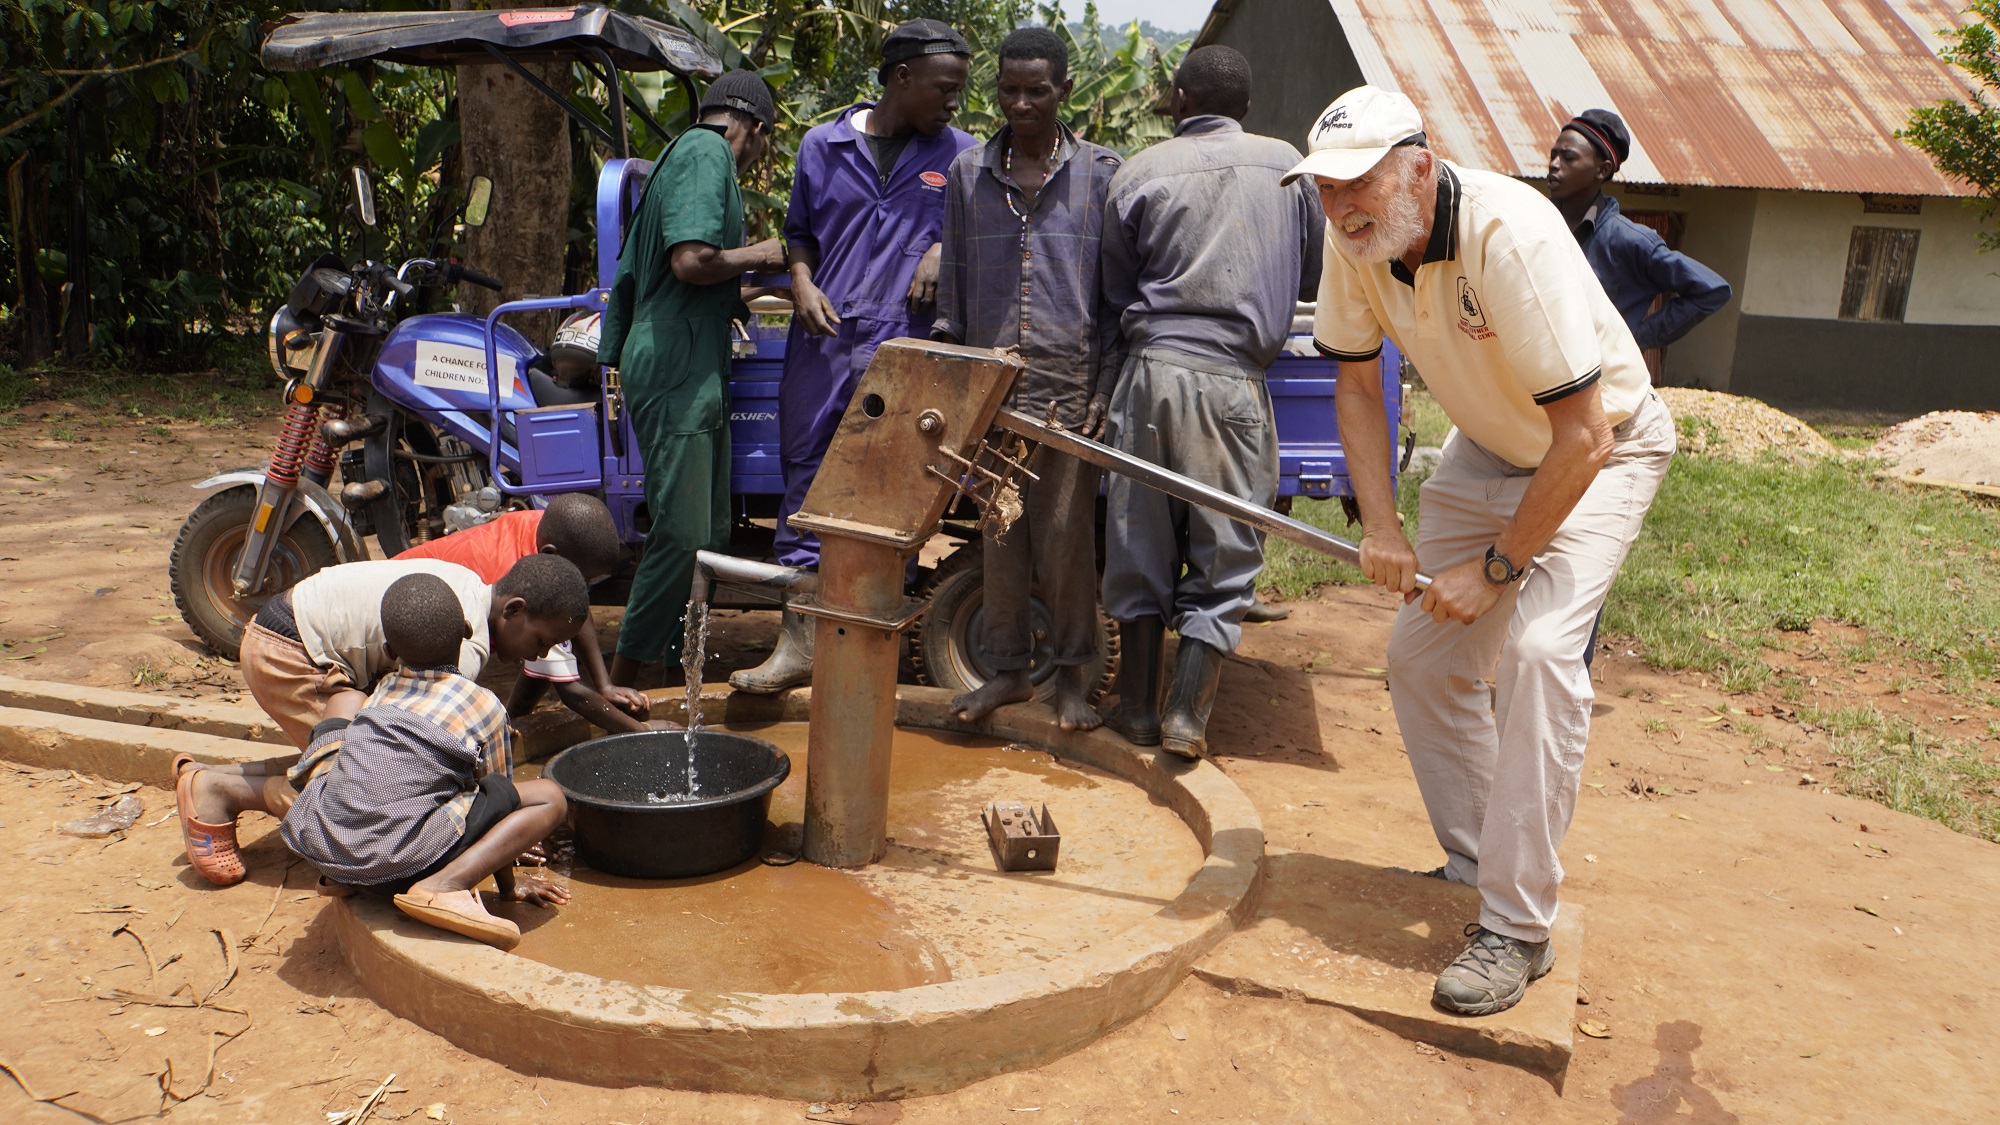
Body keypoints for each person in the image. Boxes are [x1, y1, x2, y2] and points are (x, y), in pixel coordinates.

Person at [1291, 86, 1675, 1016]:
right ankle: (1476, 862)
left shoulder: (1511, 235)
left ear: (1419, 169)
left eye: (1358, 184)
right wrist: (1381, 526)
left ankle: (1518, 925)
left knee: (1540, 656)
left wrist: (1496, 567)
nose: (1341, 207)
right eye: (1326, 189)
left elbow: (1583, 437)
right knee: (1423, 657)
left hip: (1603, 450)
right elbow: (1356, 389)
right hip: (1489, 445)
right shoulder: (1359, 240)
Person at [731, 19, 977, 695]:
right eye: (944, 87)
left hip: (906, 349)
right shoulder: (824, 145)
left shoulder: (963, 157)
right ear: (902, 78)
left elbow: (989, 236)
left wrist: (943, 249)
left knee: (892, 494)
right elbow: (799, 236)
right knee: (808, 487)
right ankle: (798, 643)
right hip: (825, 342)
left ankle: (869, 656)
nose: (954, 100)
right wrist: (802, 280)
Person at [1093, 45, 1324, 759]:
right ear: (1245, 108)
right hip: (1233, 380)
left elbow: (1115, 289)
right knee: (1226, 552)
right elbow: (1310, 272)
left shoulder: (1137, 172)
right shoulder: (1287, 166)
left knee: (1138, 543)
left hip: (1149, 376)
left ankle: (1135, 712)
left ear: (1179, 100)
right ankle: (1186, 721)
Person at [174, 554, 590, 887]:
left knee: (347, 752)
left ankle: (217, 779)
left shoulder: (466, 587)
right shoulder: (467, 647)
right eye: (542, 641)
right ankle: (221, 790)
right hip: (292, 653)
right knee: (362, 783)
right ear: (514, 610)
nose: (540, 655)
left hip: (282, 626)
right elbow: (428, 771)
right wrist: (502, 842)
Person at [931, 27, 1121, 732]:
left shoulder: (1103, 173)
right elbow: (953, 291)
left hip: (1070, 391)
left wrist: (1104, 386)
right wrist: (955, 386)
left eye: (1036, 91)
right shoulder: (968, 174)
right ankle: (1007, 671)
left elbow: (1116, 300)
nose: (1020, 103)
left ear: (1064, 90)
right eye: (1009, 90)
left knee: (1067, 540)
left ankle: (1072, 679)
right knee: (999, 535)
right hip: (991, 390)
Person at [596, 69, 785, 688]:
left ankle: (680, 670)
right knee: (681, 535)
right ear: (750, 126)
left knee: (710, 533)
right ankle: (622, 680)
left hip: (692, 357)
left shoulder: (686, 156)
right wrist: (764, 253)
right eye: (763, 142)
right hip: (675, 362)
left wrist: (769, 283)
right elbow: (692, 261)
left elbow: (703, 282)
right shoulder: (707, 151)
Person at [281, 573, 571, 950]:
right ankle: (443, 887)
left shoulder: (380, 692)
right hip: (403, 865)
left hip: (331, 854)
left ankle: (345, 877)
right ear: (466, 631)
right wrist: (509, 889)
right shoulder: (483, 704)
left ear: (389, 650)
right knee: (550, 796)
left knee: (347, 723)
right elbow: (501, 799)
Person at [395, 492, 654, 733]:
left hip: (405, 601)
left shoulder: (549, 529)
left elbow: (570, 615)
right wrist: (644, 732)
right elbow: (572, 691)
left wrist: (604, 684)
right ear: (550, 554)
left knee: (540, 644)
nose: (580, 588)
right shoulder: (520, 580)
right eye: (582, 578)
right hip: (399, 621)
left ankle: (515, 718)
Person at [1546, 109, 1730, 382]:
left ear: (1602, 170)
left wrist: (1635, 337)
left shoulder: (1628, 240)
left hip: (1600, 386)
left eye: (1568, 157)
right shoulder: (1540, 225)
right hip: (1536, 378)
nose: (1554, 164)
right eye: (1553, 155)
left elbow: (1711, 289)